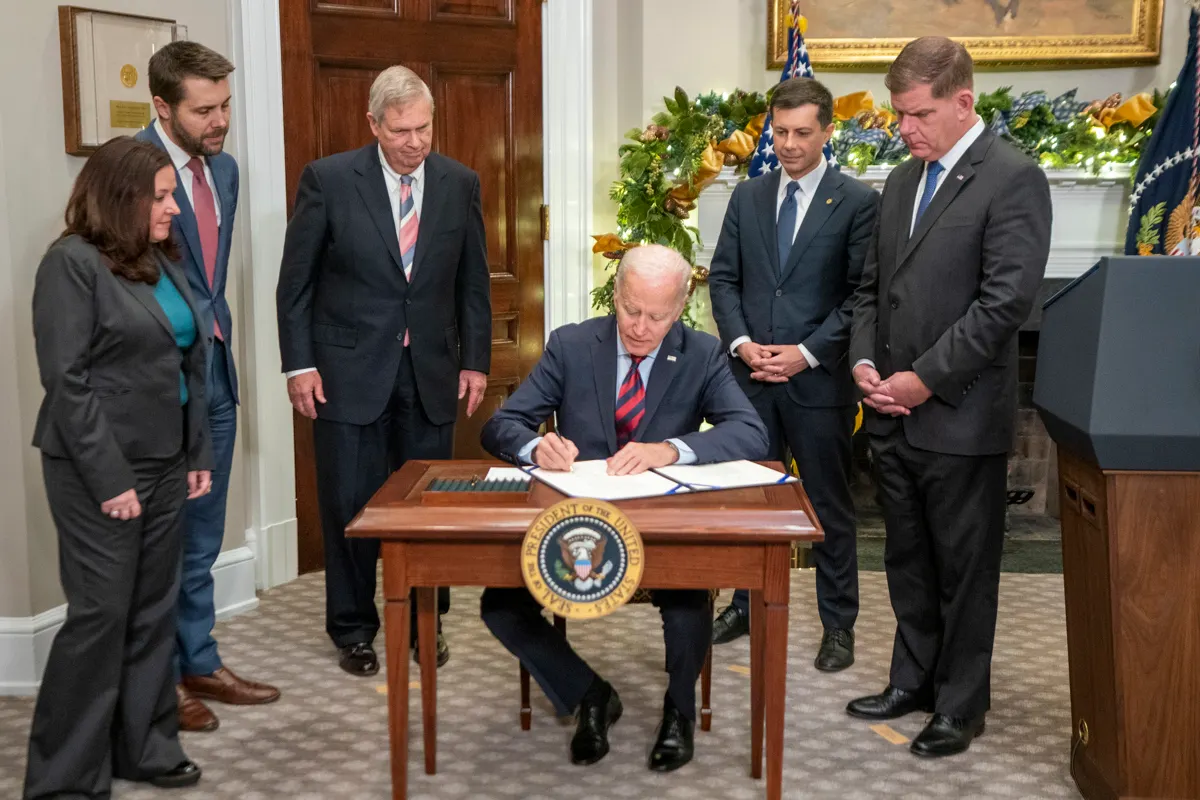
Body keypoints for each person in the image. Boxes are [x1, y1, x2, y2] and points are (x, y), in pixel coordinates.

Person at [479, 244, 769, 773]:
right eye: (631, 310)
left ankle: (679, 712)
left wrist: (670, 450)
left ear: (679, 309)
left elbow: (750, 431)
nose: (639, 327)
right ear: (616, 295)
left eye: (656, 316)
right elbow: (501, 425)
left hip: (662, 526)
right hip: (577, 525)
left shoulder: (702, 353)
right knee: (499, 604)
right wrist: (534, 446)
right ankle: (589, 694)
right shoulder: (571, 345)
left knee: (689, 597)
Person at [846, 36, 1051, 757]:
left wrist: (924, 378)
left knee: (965, 572)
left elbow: (1004, 304)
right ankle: (913, 681)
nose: (904, 129)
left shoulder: (1014, 178)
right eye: (899, 114)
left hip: (959, 417)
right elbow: (872, 289)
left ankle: (961, 706)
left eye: (919, 114)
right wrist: (864, 362)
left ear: (963, 102)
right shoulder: (903, 180)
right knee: (907, 559)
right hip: (890, 414)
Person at [277, 65, 491, 676]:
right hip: (346, 372)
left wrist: (475, 361)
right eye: (401, 131)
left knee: (429, 503)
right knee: (349, 502)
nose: (415, 142)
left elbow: (473, 282)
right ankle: (353, 629)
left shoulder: (459, 183)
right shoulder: (328, 180)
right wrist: (299, 365)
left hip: (430, 371)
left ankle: (427, 622)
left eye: (424, 128)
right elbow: (296, 284)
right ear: (373, 124)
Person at [24, 137, 212, 797]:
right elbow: (67, 381)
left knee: (153, 611)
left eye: (171, 196)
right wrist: (111, 481)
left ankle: (145, 747)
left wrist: (195, 452)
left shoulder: (161, 258)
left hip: (167, 459)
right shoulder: (70, 265)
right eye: (159, 197)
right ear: (119, 198)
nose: (172, 209)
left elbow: (189, 362)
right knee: (101, 616)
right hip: (96, 468)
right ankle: (64, 778)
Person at [707, 77, 879, 671]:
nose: (789, 144)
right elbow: (723, 279)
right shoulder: (748, 196)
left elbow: (860, 295)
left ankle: (838, 624)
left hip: (818, 384)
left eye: (802, 133)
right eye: (779, 132)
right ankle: (743, 605)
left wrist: (806, 352)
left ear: (827, 131)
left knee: (828, 505)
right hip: (750, 381)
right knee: (748, 498)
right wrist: (742, 343)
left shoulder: (856, 202)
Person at [137, 40, 281, 733]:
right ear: (162, 107)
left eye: (225, 105)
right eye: (204, 110)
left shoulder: (225, 171)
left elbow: (210, 283)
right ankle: (160, 680)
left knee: (203, 536)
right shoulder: (133, 170)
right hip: (162, 386)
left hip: (216, 375)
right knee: (161, 544)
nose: (220, 120)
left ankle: (199, 659)